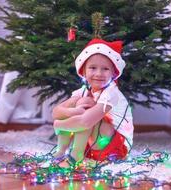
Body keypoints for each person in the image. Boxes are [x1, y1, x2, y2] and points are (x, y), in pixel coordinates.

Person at [50, 38, 134, 168]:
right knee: (78, 104)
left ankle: (76, 156)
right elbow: (56, 112)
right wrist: (72, 112)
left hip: (114, 147)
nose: (98, 74)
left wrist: (59, 125)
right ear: (84, 71)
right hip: (94, 144)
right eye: (93, 68)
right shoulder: (84, 90)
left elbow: (86, 122)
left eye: (105, 69)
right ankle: (60, 152)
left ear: (113, 73)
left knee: (87, 107)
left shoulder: (111, 93)